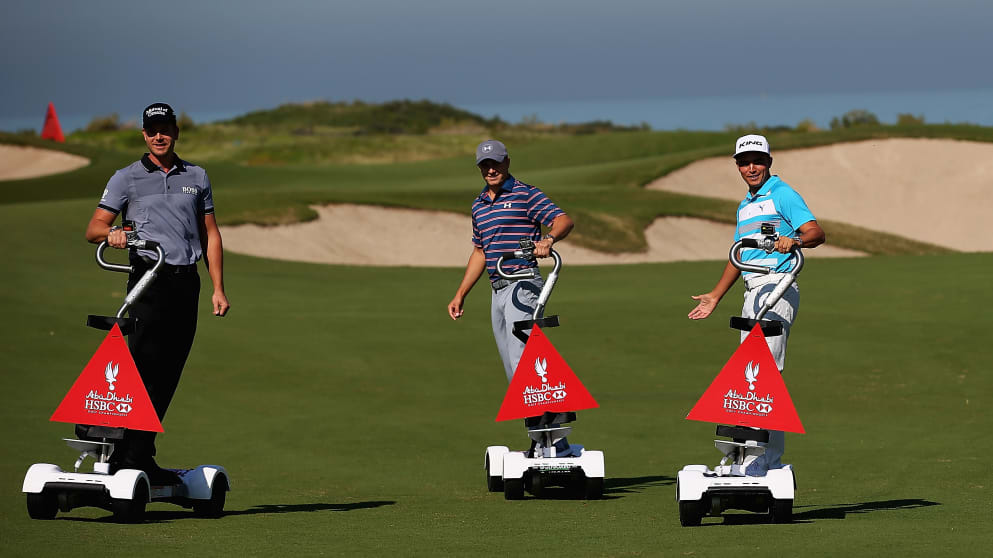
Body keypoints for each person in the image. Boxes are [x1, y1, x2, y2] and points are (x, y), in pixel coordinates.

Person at [81, 102, 230, 484]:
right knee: (144, 366)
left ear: (175, 132)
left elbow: (210, 234)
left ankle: (139, 455)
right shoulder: (126, 178)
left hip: (186, 283)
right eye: (152, 130)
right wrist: (116, 234)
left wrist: (218, 288)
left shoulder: (197, 176)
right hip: (148, 280)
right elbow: (95, 229)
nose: (159, 136)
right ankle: (122, 453)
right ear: (144, 135)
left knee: (168, 372)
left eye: (165, 129)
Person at [687, 133, 825, 476]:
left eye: (758, 161)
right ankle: (751, 454)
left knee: (764, 374)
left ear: (769, 162)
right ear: (737, 165)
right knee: (751, 372)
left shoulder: (782, 194)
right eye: (744, 162)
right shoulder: (745, 206)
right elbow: (738, 255)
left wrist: (793, 240)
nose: (751, 168)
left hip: (778, 285)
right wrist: (715, 295)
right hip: (753, 290)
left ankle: (762, 458)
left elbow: (816, 232)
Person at [447, 140, 576, 453]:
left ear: (506, 162)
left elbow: (563, 220)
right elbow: (480, 251)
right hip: (497, 289)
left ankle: (556, 440)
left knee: (524, 361)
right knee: (512, 367)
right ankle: (541, 438)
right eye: (485, 165)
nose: (491, 169)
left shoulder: (525, 193)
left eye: (496, 163)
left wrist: (548, 239)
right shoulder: (479, 205)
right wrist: (461, 292)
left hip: (523, 283)